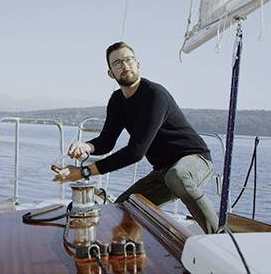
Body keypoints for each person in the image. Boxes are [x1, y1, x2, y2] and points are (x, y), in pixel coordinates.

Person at [53, 42, 218, 234]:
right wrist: (87, 146)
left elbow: (135, 152)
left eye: (129, 60)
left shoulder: (155, 95)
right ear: (110, 74)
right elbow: (106, 142)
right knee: (122, 209)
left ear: (138, 65)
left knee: (178, 176)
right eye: (117, 63)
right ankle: (132, 258)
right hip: (163, 172)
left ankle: (217, 237)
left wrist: (84, 172)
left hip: (195, 160)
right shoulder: (117, 101)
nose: (124, 65)